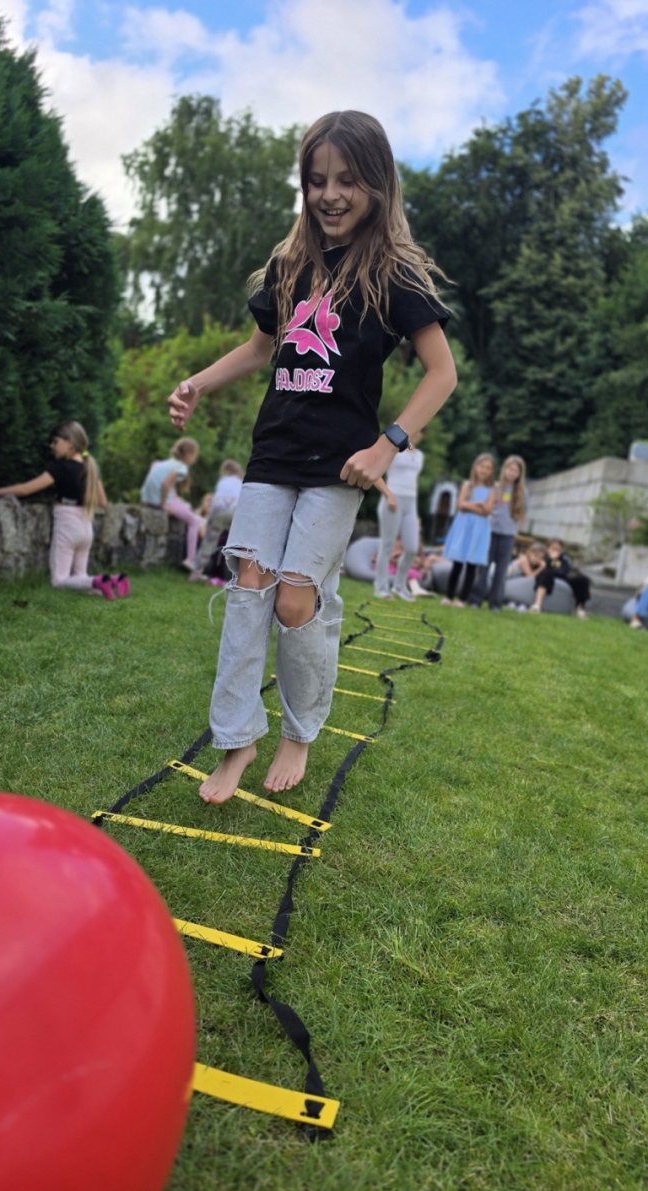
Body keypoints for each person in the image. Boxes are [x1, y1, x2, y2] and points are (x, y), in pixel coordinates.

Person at [166, 110, 456, 803]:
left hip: (338, 468)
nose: (330, 194)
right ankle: (237, 739)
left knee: (296, 601)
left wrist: (386, 446)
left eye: (346, 181)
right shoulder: (290, 264)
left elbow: (441, 374)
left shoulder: (394, 273)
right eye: (317, 180)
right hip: (273, 455)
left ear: (377, 184)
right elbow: (260, 349)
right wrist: (197, 383)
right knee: (249, 588)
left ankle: (299, 732)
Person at [0, 421, 126, 599]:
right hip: (86, 529)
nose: (51, 446)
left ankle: (99, 581)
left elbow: (25, 489)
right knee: (80, 577)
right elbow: (103, 502)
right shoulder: (90, 467)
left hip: (67, 528)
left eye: (55, 441)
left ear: (70, 443)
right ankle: (115, 581)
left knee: (59, 581)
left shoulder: (61, 467)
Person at [470, 455, 528, 612]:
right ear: (504, 469)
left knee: (501, 570)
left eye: (515, 471)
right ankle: (476, 599)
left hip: (507, 535)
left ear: (519, 474)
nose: (512, 473)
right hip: (490, 531)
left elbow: (523, 513)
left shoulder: (522, 493)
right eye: (510, 469)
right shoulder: (495, 488)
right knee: (483, 567)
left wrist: (516, 530)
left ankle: (495, 603)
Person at [374, 431, 425, 601]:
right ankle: (381, 588)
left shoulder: (419, 456)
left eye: (421, 431)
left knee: (411, 548)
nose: (417, 434)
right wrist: (389, 495)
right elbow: (376, 473)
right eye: (415, 430)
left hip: (411, 504)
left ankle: (399, 586)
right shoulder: (394, 450)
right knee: (387, 545)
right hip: (392, 501)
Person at [441, 454, 496, 607]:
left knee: (472, 565)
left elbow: (487, 510)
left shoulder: (492, 489)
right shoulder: (467, 485)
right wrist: (478, 504)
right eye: (482, 467)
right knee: (457, 563)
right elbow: (460, 505)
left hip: (478, 529)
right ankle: (449, 596)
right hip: (464, 527)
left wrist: (469, 505)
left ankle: (462, 599)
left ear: (492, 471)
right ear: (476, 467)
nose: (484, 470)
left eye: (488, 468)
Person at [140, 438, 200, 569]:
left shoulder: (160, 463)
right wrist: (164, 504)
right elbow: (166, 484)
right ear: (189, 454)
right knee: (194, 521)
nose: (195, 460)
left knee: (186, 506)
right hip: (159, 502)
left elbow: (162, 481)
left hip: (147, 500)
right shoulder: (182, 468)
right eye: (195, 456)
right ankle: (191, 559)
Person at [189, 460, 244, 583]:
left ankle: (196, 573)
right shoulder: (241, 481)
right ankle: (241, 576)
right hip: (234, 510)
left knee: (208, 543)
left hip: (218, 510)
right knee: (240, 543)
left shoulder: (222, 481)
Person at [530, 539, 591, 618]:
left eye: (558, 549)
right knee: (547, 573)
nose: (556, 551)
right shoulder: (543, 556)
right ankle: (537, 605)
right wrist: (550, 559)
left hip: (562, 578)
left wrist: (554, 568)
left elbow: (564, 571)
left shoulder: (564, 560)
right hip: (545, 576)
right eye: (553, 548)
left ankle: (579, 609)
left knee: (583, 580)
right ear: (548, 548)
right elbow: (540, 567)